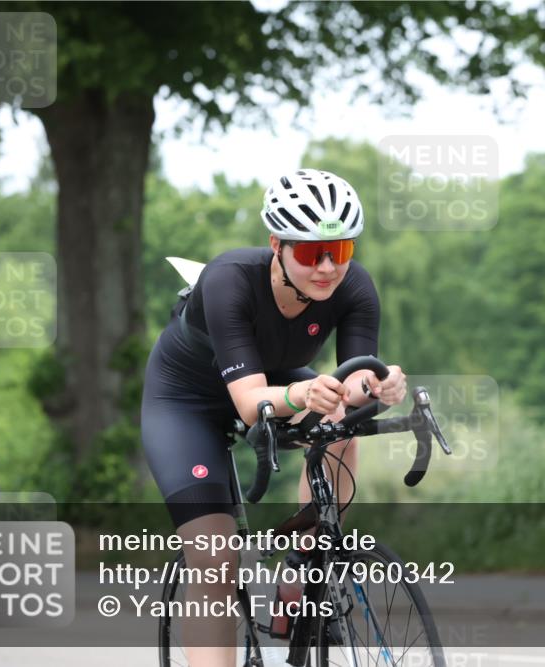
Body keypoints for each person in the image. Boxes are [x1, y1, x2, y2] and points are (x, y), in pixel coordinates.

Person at [141, 168, 407, 666]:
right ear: (277, 246)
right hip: (188, 403)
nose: (328, 267)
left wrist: (379, 385)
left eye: (342, 251)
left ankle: (300, 573)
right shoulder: (228, 280)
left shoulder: (355, 288)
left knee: (341, 432)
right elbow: (248, 402)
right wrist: (305, 391)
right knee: (215, 560)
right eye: (310, 253)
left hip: (280, 381)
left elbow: (352, 386)